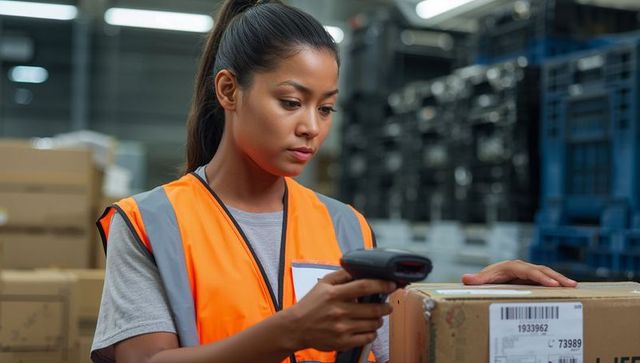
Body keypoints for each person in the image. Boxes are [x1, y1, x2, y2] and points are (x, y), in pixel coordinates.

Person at [91, 1, 577, 362]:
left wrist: (473, 298)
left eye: (325, 108)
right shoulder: (149, 223)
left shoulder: (346, 226)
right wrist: (292, 330)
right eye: (290, 102)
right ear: (229, 90)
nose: (312, 127)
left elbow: (391, 344)